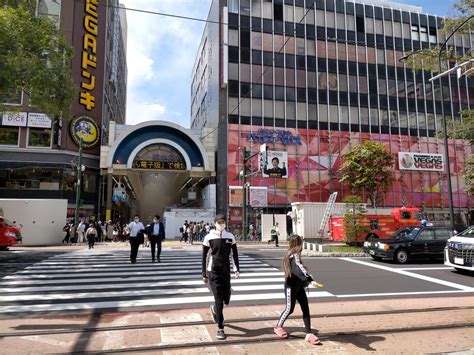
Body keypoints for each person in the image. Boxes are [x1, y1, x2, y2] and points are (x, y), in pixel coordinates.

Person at [273, 235, 321, 345]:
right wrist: (310, 280)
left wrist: (307, 277)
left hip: (299, 286)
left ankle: (308, 333)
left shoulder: (294, 254)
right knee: (290, 309)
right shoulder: (292, 255)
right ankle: (278, 327)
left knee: (305, 308)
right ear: (298, 244)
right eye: (301, 243)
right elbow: (299, 270)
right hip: (291, 287)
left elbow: (301, 269)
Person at [202, 214, 240, 341]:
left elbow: (234, 254)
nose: (221, 224)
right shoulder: (209, 237)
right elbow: (204, 257)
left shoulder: (230, 236)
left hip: (226, 271)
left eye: (223, 222)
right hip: (213, 272)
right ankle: (220, 327)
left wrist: (236, 269)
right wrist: (204, 274)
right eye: (219, 222)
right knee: (218, 298)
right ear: (215, 223)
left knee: (226, 298)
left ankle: (214, 309)